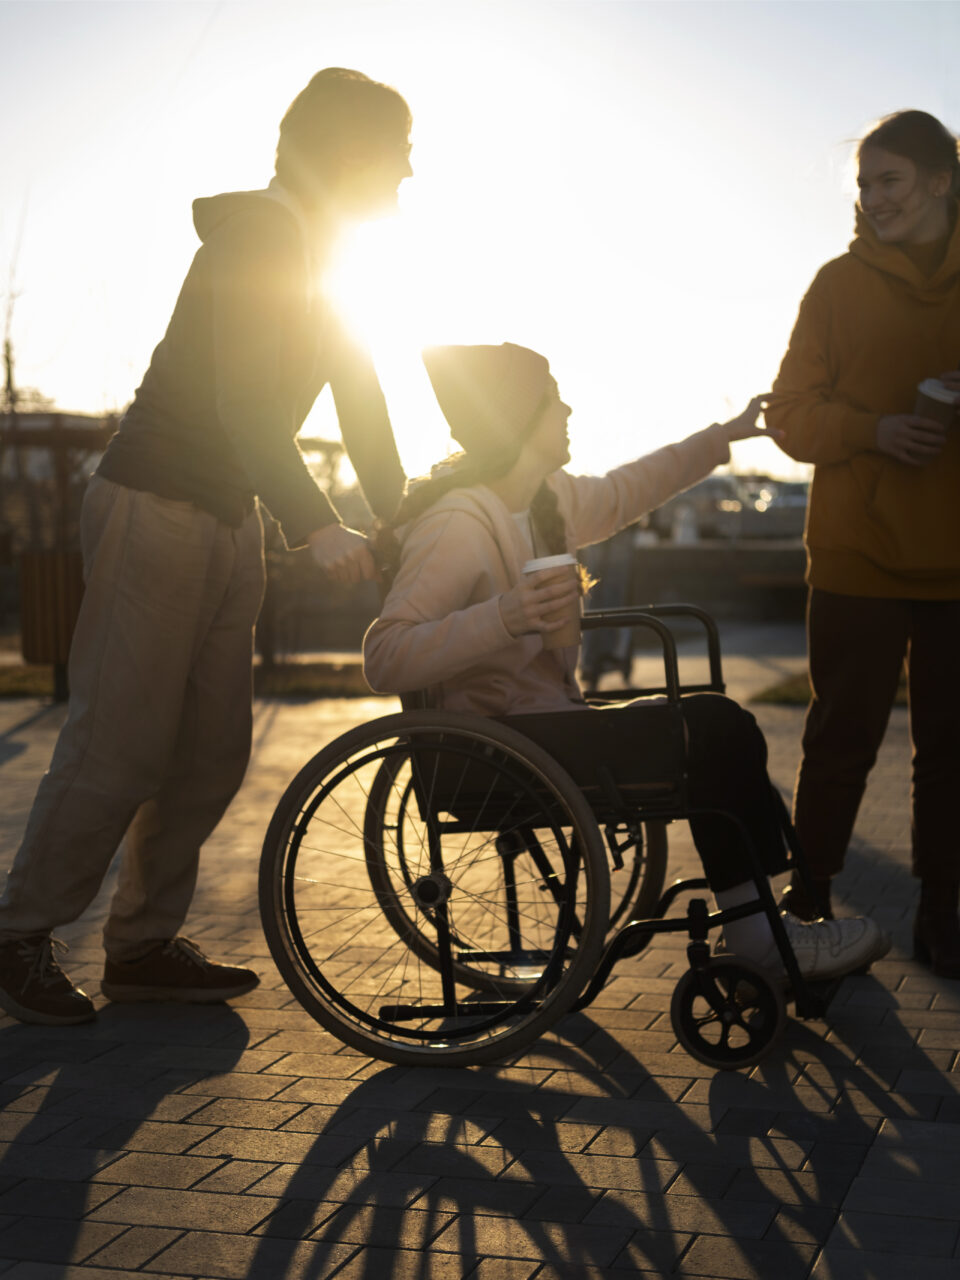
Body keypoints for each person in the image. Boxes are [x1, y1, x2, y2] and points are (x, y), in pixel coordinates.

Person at [0, 68, 412, 1026]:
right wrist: (315, 520)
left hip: (230, 518)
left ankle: (141, 946)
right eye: (396, 150)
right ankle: (18, 933)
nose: (405, 173)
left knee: (211, 751)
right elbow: (245, 406)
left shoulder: (332, 258)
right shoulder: (262, 233)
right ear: (347, 151)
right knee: (121, 741)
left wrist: (403, 512)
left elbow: (363, 396)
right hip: (157, 500)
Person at [363, 342, 891, 982]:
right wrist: (507, 614)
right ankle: (761, 939)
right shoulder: (457, 524)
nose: (567, 408)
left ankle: (766, 929)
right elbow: (386, 655)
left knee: (721, 725)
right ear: (517, 420)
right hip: (497, 748)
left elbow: (629, 490)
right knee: (714, 730)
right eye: (551, 398)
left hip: (547, 727)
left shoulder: (543, 500)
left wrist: (723, 436)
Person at [765, 110, 960, 973]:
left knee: (952, 754)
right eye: (865, 184)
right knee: (839, 740)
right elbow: (788, 415)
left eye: (891, 181)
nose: (874, 199)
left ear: (941, 181)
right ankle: (806, 910)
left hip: (957, 563)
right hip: (855, 557)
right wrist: (877, 430)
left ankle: (943, 919)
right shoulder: (837, 286)